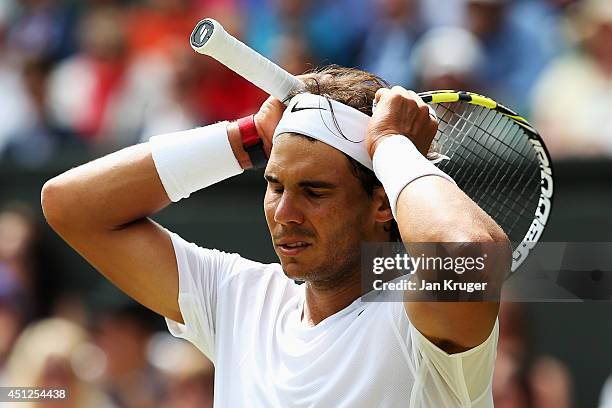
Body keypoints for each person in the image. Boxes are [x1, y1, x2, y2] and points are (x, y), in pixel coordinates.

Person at [41, 66, 511, 407]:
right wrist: (247, 137)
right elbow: (71, 206)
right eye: (274, 185)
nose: (285, 213)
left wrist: (392, 144)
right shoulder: (239, 297)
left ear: (382, 203)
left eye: (315, 191)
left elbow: (470, 256)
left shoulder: (421, 317)